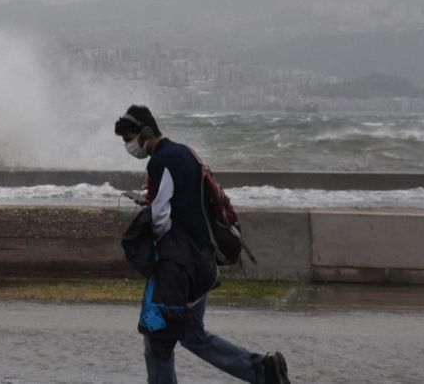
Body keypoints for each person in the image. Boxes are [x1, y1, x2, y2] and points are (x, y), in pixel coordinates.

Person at [114, 104, 291, 384]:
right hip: (202, 260)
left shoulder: (161, 160)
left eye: (129, 138)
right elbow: (188, 200)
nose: (129, 146)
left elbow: (161, 216)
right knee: (190, 334)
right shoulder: (186, 153)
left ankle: (262, 371)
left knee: (158, 339)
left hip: (180, 267)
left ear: (145, 132)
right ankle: (263, 371)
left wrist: (155, 242)